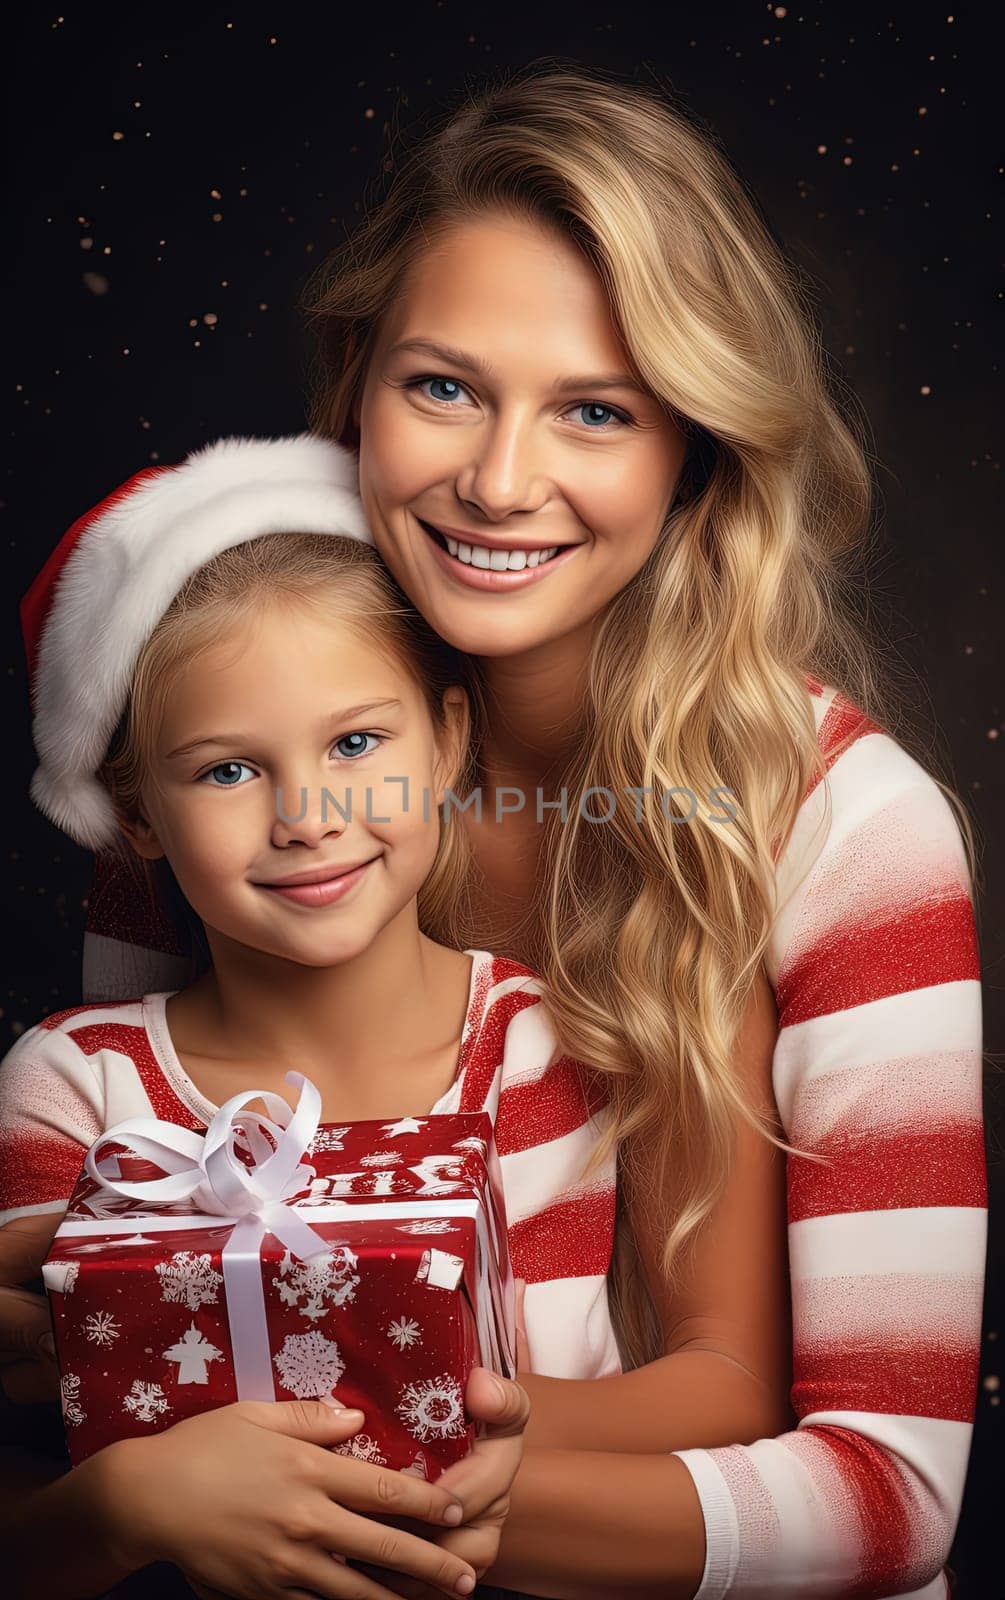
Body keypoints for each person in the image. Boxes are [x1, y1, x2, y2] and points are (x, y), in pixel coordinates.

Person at [8, 58, 988, 1600]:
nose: (499, 479)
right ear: (358, 384)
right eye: (443, 384)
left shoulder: (851, 836)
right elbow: (114, 1324)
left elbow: (886, 1497)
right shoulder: (218, 755)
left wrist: (327, 1487)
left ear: (692, 455)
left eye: (594, 409)